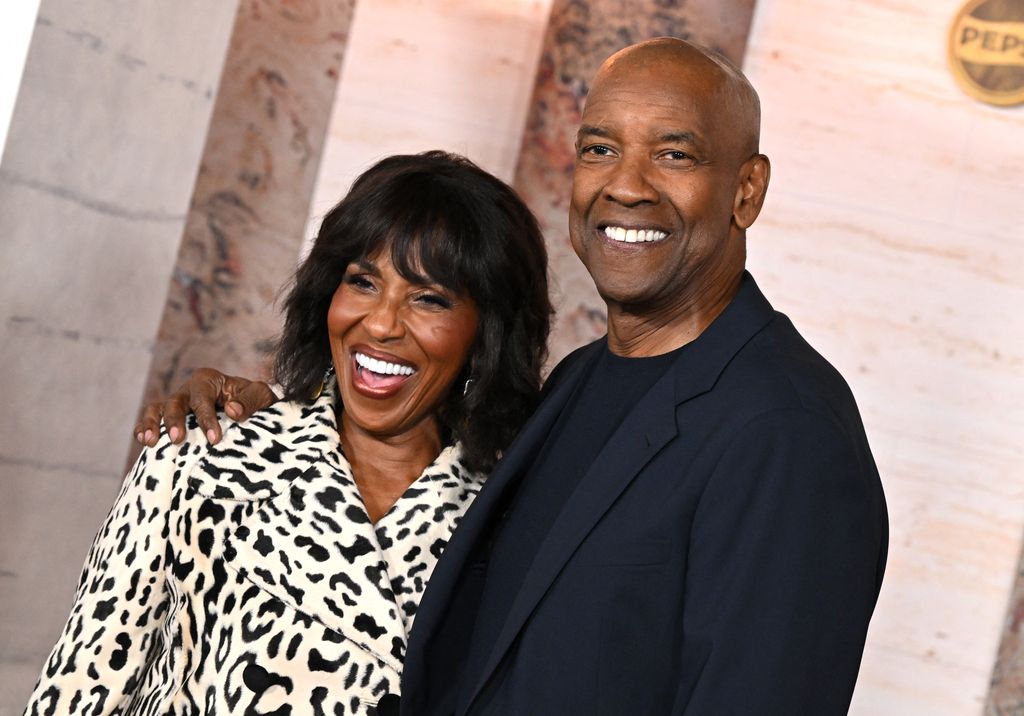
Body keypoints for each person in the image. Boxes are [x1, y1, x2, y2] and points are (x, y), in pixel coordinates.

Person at [138, 38, 888, 715]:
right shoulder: (578, 380)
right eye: (599, 149)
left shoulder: (788, 432)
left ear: (747, 190)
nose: (625, 185)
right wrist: (284, 417)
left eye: (674, 155)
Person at [25, 151, 552, 715]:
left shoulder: (507, 527)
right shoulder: (199, 459)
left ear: (486, 334)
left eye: (428, 298)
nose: (379, 323)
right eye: (363, 282)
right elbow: (80, 690)